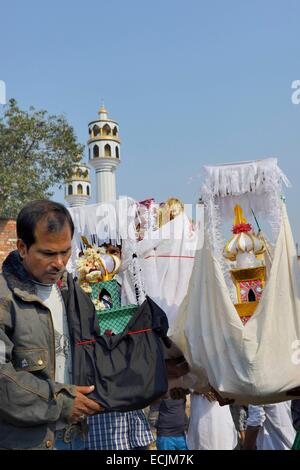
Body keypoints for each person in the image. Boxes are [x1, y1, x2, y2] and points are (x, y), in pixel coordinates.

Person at [0, 200, 103, 450]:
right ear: (23, 248)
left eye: (65, 251)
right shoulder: (5, 298)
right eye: (48, 253)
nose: (59, 262)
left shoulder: (74, 292)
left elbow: (95, 352)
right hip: (27, 442)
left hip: (77, 437)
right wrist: (62, 402)